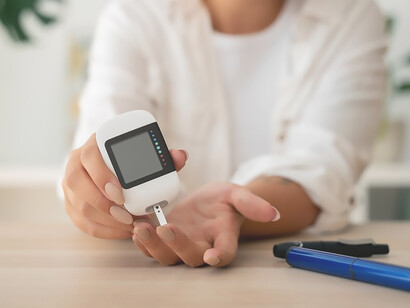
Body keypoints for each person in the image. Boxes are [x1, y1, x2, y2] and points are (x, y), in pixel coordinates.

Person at [62, 0, 387, 267]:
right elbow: (99, 144)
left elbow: (323, 170)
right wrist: (94, 191)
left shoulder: (350, 14)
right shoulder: (134, 15)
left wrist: (233, 210)